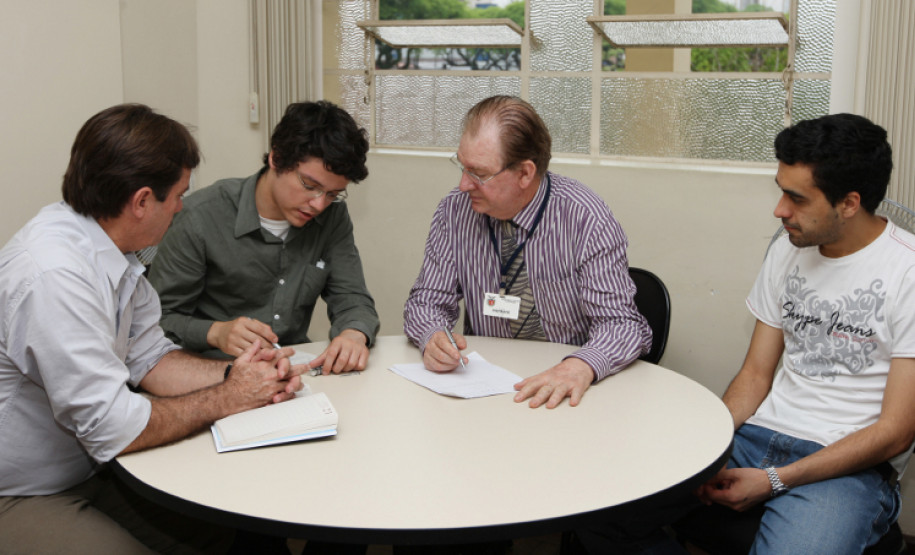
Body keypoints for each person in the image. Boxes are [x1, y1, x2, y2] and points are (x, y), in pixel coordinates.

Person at [580, 113, 915, 554]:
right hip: (756, 438)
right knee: (603, 512)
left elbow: (895, 431)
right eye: (781, 191)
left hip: (847, 466)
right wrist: (706, 442)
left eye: (796, 198)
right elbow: (756, 375)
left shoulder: (906, 272)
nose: (779, 211)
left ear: (849, 203)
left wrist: (775, 480)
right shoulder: (787, 251)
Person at [0, 104, 305, 553]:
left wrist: (241, 374)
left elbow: (151, 360)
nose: (182, 208)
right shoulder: (54, 275)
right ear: (142, 201)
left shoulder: (117, 253)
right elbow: (112, 427)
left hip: (92, 467)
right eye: (179, 195)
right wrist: (228, 397)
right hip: (23, 487)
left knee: (225, 526)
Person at [403, 95, 651, 409]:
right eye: (462, 166)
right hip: (487, 391)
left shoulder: (584, 217)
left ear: (525, 173)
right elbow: (427, 300)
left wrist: (580, 366)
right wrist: (432, 335)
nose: (464, 185)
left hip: (566, 391)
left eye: (478, 174)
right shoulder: (455, 212)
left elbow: (623, 325)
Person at [149, 100, 379, 374]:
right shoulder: (200, 217)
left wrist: (353, 333)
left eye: (332, 194)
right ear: (276, 158)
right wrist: (215, 332)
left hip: (291, 373)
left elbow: (352, 297)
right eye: (310, 185)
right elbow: (154, 321)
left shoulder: (332, 218)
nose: (319, 204)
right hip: (211, 374)